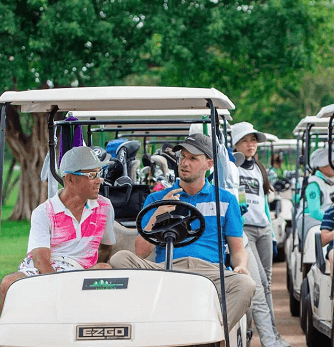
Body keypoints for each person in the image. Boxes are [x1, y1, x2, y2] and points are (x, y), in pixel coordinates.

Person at [109, 133, 256, 326]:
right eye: (182, 157)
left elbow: (237, 250)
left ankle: (213, 333)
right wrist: (159, 212)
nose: (184, 163)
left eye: (193, 158)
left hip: (209, 270)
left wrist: (241, 266)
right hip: (167, 268)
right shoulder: (156, 199)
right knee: (118, 258)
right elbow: (141, 251)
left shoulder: (226, 200)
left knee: (247, 284)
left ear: (209, 164)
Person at [0, 146, 115, 310]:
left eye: (99, 174)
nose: (99, 180)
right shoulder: (44, 212)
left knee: (105, 270)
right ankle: (7, 334)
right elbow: (40, 260)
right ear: (70, 179)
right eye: (91, 175)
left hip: (80, 271)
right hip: (44, 270)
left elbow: (105, 248)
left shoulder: (104, 206)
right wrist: (60, 288)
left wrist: (86, 272)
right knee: (7, 283)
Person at [230, 121, 291, 347]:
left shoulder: (258, 167)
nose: (251, 144)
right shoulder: (231, 168)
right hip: (244, 230)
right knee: (258, 283)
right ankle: (269, 345)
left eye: (253, 140)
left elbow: (263, 200)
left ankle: (273, 335)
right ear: (235, 143)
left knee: (266, 285)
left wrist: (271, 231)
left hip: (263, 227)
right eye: (245, 140)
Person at [302, 147, 334, 223]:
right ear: (322, 166)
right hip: (309, 220)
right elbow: (315, 212)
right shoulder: (314, 184)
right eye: (331, 163)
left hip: (323, 219)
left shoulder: (327, 181)